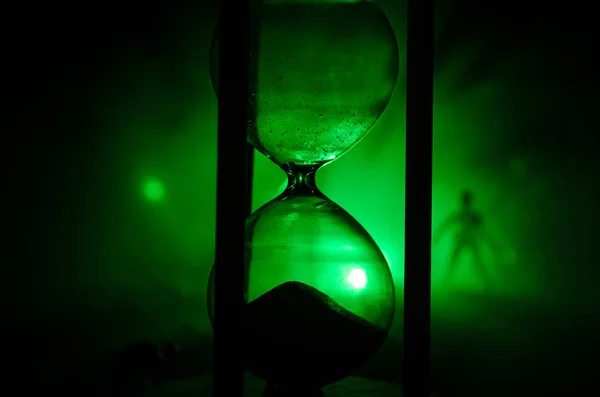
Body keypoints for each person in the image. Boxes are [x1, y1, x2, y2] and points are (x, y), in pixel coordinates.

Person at [433, 190, 490, 285]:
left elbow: (446, 224)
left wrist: (437, 236)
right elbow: (446, 224)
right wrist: (437, 236)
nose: (465, 202)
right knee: (456, 261)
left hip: (468, 240)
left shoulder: (472, 215)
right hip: (465, 240)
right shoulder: (467, 214)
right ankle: (446, 281)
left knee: (474, 262)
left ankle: (446, 281)